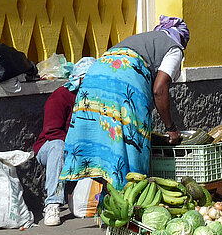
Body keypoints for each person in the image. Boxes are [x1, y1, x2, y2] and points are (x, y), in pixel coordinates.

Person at [60, 16, 189, 190]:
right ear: (181, 39)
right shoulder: (174, 48)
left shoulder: (143, 39)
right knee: (130, 143)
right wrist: (171, 128)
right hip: (124, 80)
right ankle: (129, 198)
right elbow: (159, 89)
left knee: (102, 142)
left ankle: (109, 200)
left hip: (93, 77)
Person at [33, 57, 96, 226]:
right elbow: (52, 132)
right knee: (59, 147)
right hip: (51, 147)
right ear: (80, 78)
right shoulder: (61, 96)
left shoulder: (96, 99)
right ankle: (53, 203)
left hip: (80, 149)